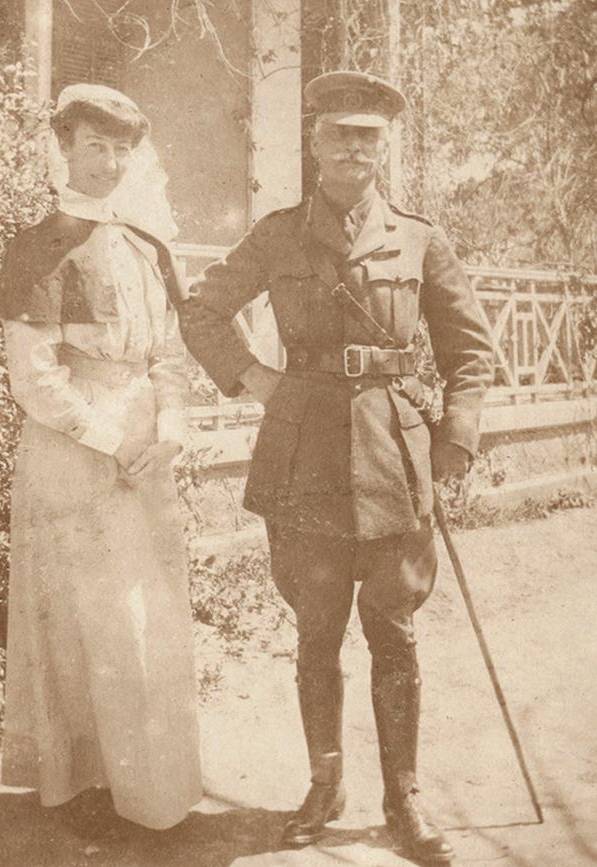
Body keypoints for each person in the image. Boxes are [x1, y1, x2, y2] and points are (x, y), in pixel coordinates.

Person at [178, 71, 494, 863]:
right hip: (305, 456)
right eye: (340, 134)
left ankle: (405, 794)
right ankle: (325, 785)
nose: (356, 147)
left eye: (370, 136)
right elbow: (203, 309)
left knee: (393, 629)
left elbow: (471, 351)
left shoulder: (420, 238)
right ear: (315, 142)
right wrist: (254, 377)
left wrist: (455, 436)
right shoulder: (279, 235)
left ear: (385, 147)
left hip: (395, 455)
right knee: (316, 631)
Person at [0, 84, 202, 834]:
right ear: (65, 149)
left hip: (148, 444)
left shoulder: (147, 247)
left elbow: (170, 351)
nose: (108, 162)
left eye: (120, 148)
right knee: (87, 620)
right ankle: (82, 783)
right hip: (74, 446)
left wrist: (170, 422)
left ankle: (148, 783)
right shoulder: (40, 245)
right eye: (93, 146)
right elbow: (32, 375)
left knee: (147, 617)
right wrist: (111, 439)